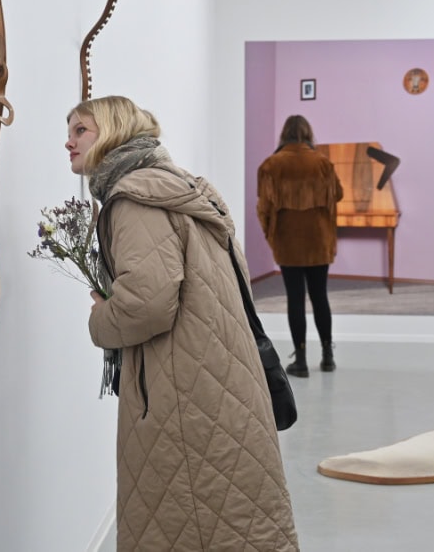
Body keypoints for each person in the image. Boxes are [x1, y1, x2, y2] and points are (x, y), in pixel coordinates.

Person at [66, 95, 299, 551]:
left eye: (80, 130)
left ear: (111, 133)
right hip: (221, 373)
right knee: (234, 516)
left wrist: (101, 320)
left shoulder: (133, 199)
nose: (68, 142)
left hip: (181, 387)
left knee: (187, 518)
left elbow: (148, 305)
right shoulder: (183, 186)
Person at [256, 115, 343, 377]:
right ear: (308, 133)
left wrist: (270, 235)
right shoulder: (323, 163)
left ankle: (301, 360)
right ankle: (328, 356)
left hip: (287, 241)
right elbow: (337, 194)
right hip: (319, 240)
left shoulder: (271, 165)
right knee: (320, 297)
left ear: (284, 134)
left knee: (295, 299)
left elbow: (264, 207)